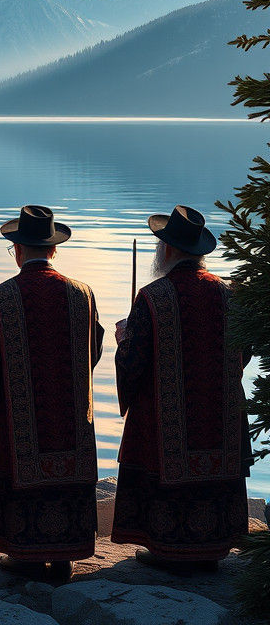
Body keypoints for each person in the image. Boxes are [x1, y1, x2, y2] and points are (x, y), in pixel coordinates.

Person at [111, 205, 251, 573]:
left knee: (151, 430)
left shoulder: (153, 297)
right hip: (220, 416)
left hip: (168, 422)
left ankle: (167, 547)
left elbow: (133, 365)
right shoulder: (231, 294)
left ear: (168, 251)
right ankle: (212, 546)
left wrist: (124, 338)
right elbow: (244, 353)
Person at [0, 205, 103, 584]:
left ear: (17, 249)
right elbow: (93, 351)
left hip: (21, 416)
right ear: (53, 250)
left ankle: (26, 555)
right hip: (71, 411)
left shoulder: (1, 297)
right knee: (67, 472)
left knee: (21, 468)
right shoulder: (83, 293)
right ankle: (65, 555)